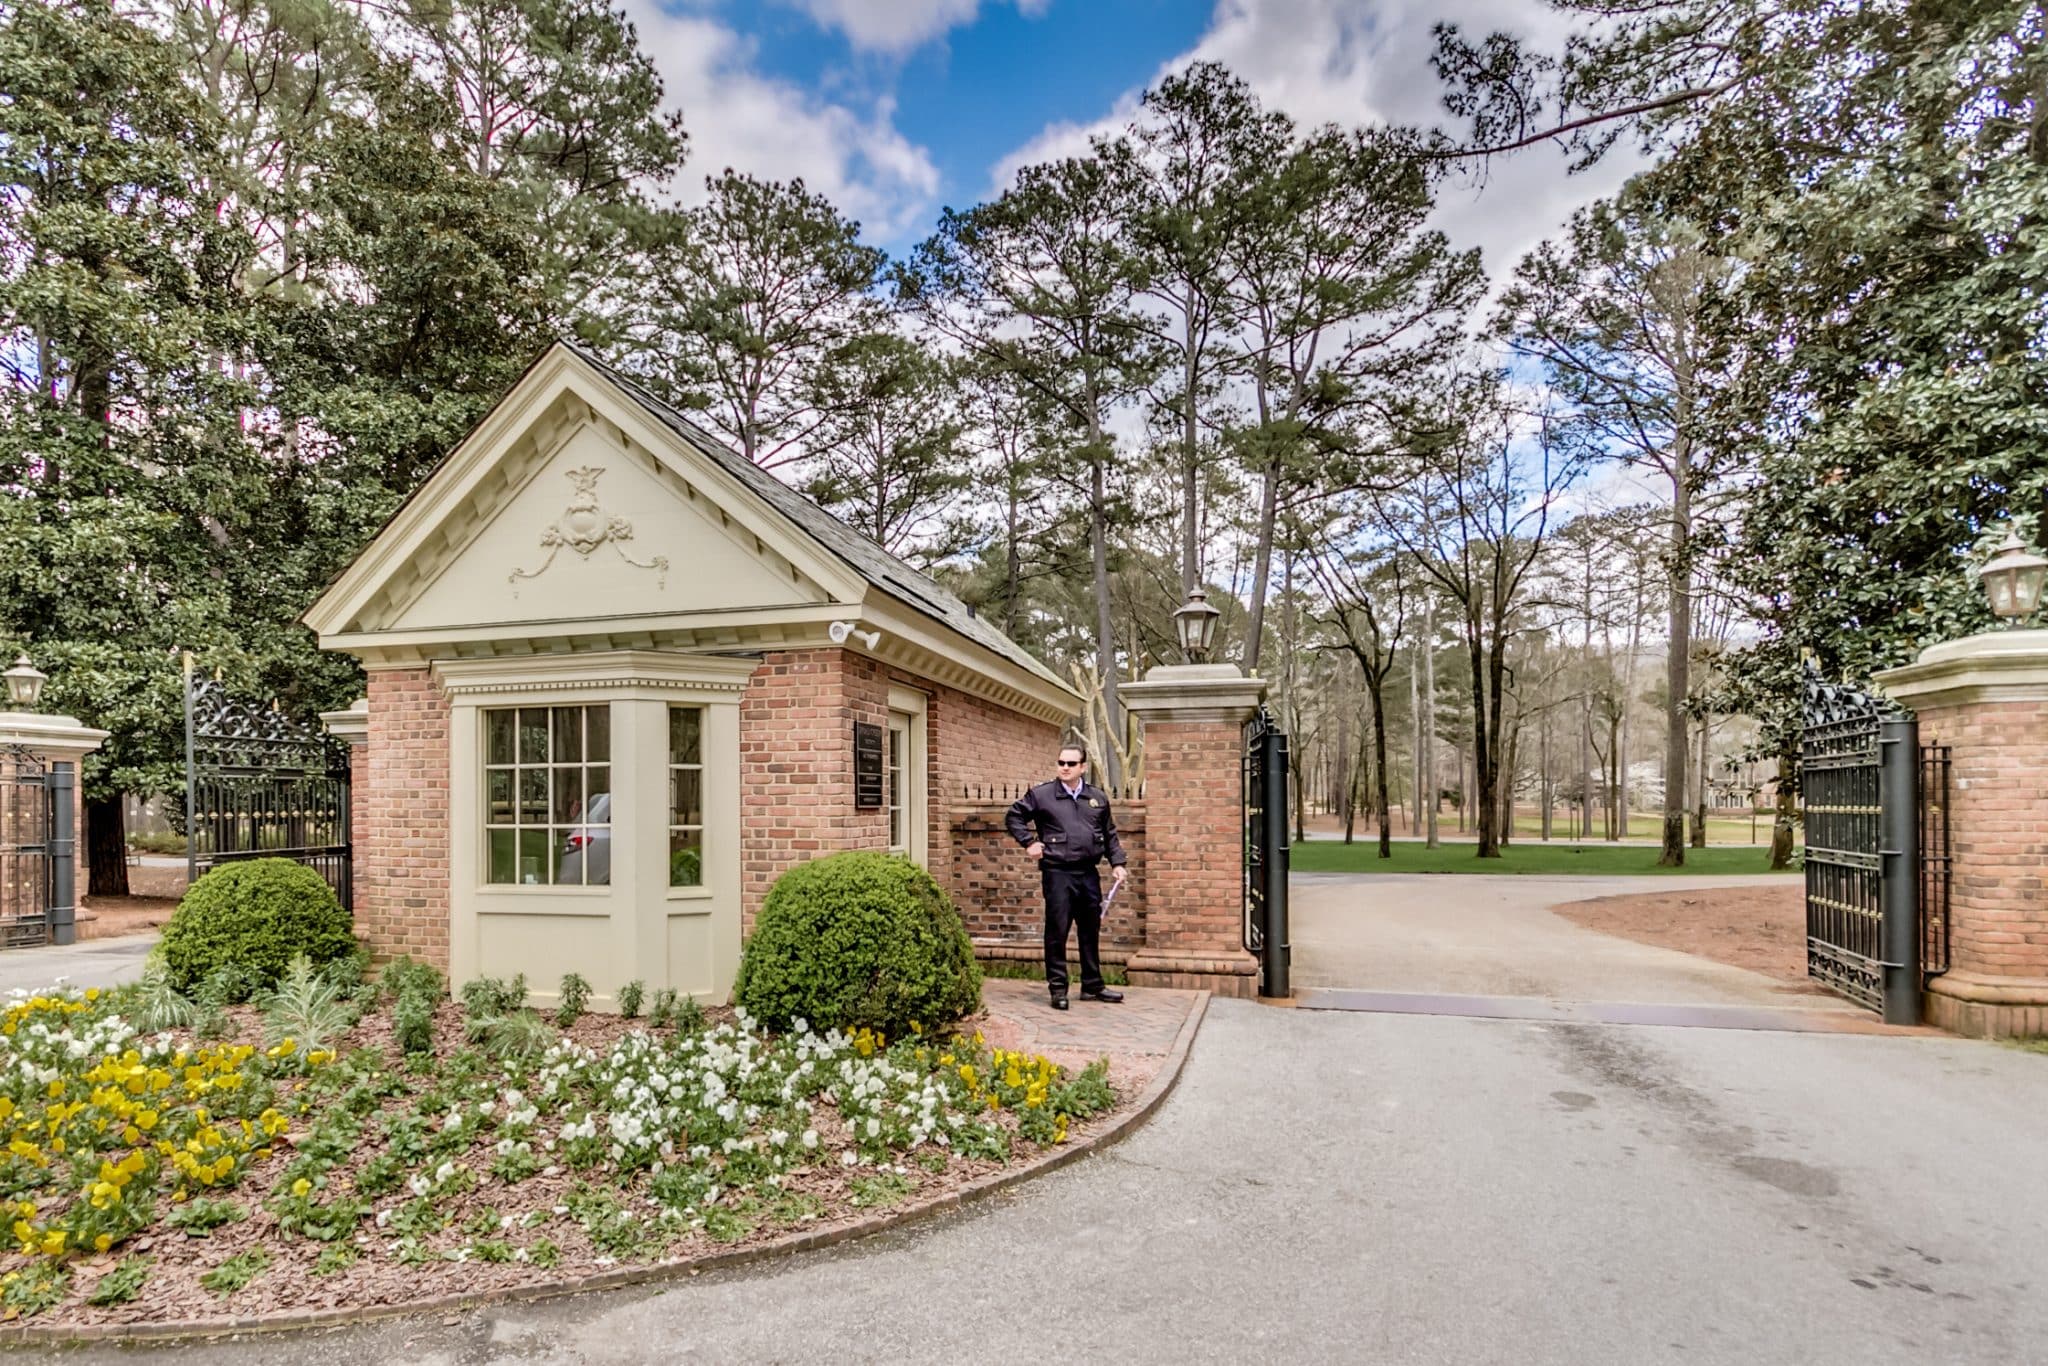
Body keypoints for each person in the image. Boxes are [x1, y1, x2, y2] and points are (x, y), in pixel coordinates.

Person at [1004, 741, 1128, 1011]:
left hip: (1088, 872)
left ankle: (1092, 985)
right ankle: (1058, 988)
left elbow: (1109, 834)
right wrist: (1029, 842)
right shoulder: (1042, 795)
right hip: (1057, 872)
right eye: (1061, 763)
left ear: (1083, 767)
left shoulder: (1097, 798)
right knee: (1057, 930)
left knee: (1089, 929)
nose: (1065, 768)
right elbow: (1013, 817)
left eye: (1071, 764)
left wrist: (1117, 863)